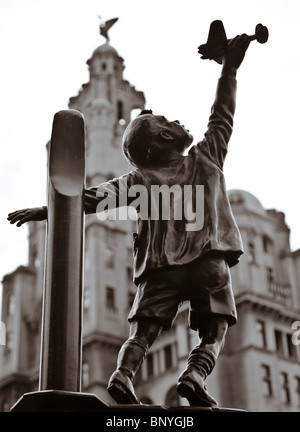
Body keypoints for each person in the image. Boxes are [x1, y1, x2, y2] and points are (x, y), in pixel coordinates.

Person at [8, 34, 250, 407]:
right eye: (168, 121)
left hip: (159, 271)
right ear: (165, 137)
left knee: (142, 333)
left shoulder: (139, 181)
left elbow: (89, 198)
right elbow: (222, 114)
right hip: (208, 263)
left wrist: (44, 211)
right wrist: (229, 69)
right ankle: (195, 374)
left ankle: (122, 375)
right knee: (215, 328)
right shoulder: (205, 159)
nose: (175, 120)